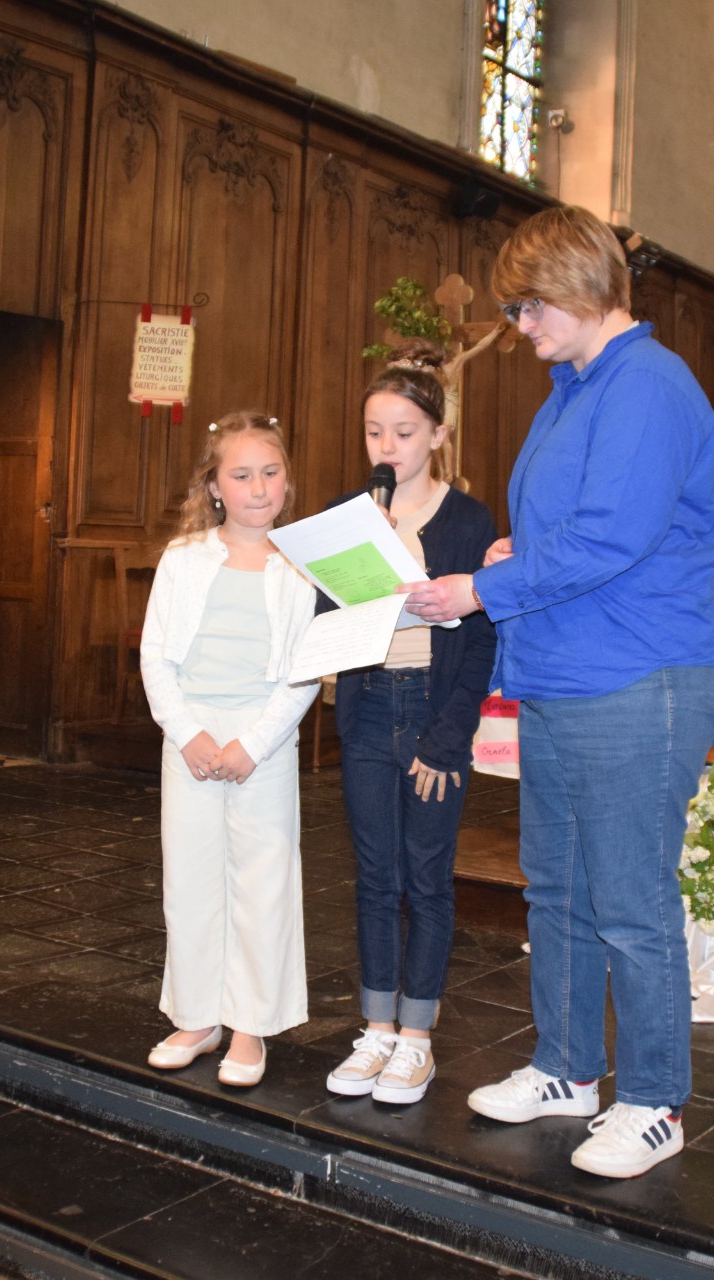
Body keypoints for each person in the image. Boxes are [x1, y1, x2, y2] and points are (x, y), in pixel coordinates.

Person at [401, 206, 714, 1179]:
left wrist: (479, 584)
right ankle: (566, 1067)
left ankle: (654, 1098)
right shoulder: (573, 387)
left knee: (630, 900)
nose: (519, 323)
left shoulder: (648, 384)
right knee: (556, 886)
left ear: (585, 289)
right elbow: (568, 533)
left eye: (529, 303)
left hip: (640, 672)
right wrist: (511, 553)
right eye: (514, 305)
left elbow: (609, 543)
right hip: (565, 668)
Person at [320, 342, 497, 1107]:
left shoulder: (469, 520)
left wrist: (448, 736)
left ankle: (417, 1039)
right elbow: (329, 623)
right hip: (367, 708)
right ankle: (376, 1029)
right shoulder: (354, 519)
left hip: (431, 712)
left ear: (437, 434)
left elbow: (482, 637)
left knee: (426, 879)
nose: (386, 448)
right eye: (373, 432)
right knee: (374, 877)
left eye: (402, 431)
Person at [138, 412, 318, 1087]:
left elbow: (306, 666)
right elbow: (156, 657)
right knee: (190, 880)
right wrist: (188, 733)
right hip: (193, 735)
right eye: (241, 475)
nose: (258, 487)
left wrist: (254, 742)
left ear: (287, 482)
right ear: (214, 485)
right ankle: (196, 1015)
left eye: (270, 473)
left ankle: (250, 1025)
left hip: (260, 737)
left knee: (262, 883)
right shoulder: (184, 558)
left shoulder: (301, 564)